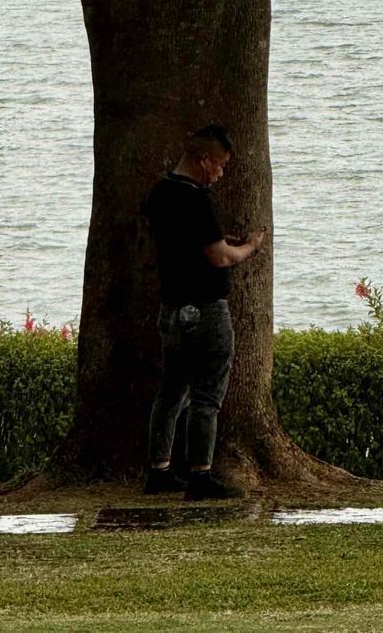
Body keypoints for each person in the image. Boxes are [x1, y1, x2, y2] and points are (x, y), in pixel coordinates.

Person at [142, 123, 265, 498]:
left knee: (171, 391)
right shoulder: (197, 199)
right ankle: (200, 475)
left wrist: (213, 242)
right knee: (207, 396)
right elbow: (218, 256)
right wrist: (249, 248)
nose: (221, 173)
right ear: (203, 159)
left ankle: (158, 470)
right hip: (206, 311)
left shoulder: (160, 193)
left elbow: (181, 242)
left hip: (171, 309)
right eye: (220, 165)